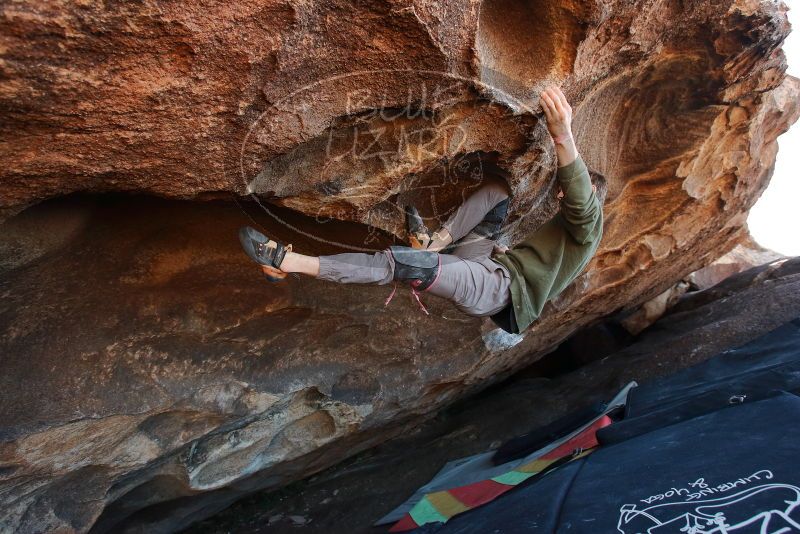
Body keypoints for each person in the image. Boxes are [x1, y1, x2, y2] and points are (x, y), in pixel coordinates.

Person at [239, 86, 603, 334]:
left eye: (570, 191)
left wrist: (563, 136)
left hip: (494, 290)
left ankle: (288, 263)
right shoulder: (570, 235)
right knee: (497, 192)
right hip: (491, 264)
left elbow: (584, 203)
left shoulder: (589, 227)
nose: (562, 193)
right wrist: (505, 251)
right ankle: (431, 243)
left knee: (402, 264)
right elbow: (548, 259)